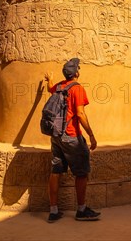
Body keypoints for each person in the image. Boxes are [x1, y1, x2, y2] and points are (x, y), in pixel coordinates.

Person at [44, 57, 101, 223]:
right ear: (76, 73)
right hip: (71, 135)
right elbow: (80, 114)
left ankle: (53, 211)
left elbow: (50, 89)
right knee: (82, 173)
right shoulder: (77, 89)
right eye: (78, 69)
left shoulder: (60, 86)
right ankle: (81, 210)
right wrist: (90, 134)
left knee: (56, 171)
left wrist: (50, 79)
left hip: (56, 136)